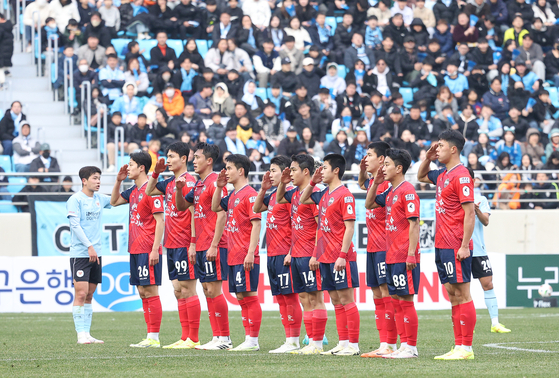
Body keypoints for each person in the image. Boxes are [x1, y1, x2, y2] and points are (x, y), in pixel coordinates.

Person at [417, 130, 477, 360]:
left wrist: (464, 245)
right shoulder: (442, 174)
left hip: (455, 244)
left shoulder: (461, 176)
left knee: (463, 294)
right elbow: (421, 177)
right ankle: (458, 344)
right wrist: (428, 158)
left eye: (440, 146)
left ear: (453, 149)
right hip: (441, 244)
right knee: (452, 294)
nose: (437, 148)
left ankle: (467, 348)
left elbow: (469, 213)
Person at [299, 154, 360, 356]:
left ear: (336, 170)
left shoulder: (345, 194)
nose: (320, 171)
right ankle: (343, 342)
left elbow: (350, 228)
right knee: (335, 299)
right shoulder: (323, 194)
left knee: (346, 298)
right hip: (325, 256)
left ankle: (354, 344)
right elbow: (302, 199)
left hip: (340, 256)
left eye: (324, 168)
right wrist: (313, 182)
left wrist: (342, 255)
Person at [365, 148, 421, 359]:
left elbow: (414, 224)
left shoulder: (407, 191)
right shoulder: (389, 191)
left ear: (399, 168)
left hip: (403, 255)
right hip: (390, 254)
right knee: (396, 301)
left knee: (405, 300)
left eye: (387, 164)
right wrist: (377, 182)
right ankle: (402, 345)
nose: (383, 168)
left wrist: (410, 254)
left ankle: (411, 348)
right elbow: (369, 204)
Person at [174, 143, 230, 350]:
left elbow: (222, 214)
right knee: (207, 289)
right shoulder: (198, 185)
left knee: (214, 289)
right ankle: (217, 337)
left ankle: (224, 338)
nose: (193, 161)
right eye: (193, 157)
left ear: (209, 161)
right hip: (201, 244)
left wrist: (214, 245)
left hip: (213, 244)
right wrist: (179, 191)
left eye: (196, 157)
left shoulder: (217, 183)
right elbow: (182, 207)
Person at [144, 142, 198, 349]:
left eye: (172, 156)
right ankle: (184, 337)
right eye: (167, 155)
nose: (168, 159)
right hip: (171, 242)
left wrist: (193, 242)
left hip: (185, 242)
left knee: (188, 289)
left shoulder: (190, 181)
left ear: (184, 159)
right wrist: (155, 174)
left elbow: (193, 212)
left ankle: (193, 338)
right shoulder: (167, 182)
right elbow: (149, 192)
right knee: (177, 290)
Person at [110, 152, 165, 348]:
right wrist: (118, 181)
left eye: (131, 164)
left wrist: (155, 249)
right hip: (134, 247)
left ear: (142, 167)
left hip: (147, 247)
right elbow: (114, 202)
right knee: (142, 292)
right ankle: (149, 336)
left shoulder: (153, 190)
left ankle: (154, 337)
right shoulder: (133, 190)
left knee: (150, 291)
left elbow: (160, 221)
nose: (128, 168)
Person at [211, 154, 262, 351]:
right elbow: (215, 207)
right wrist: (218, 186)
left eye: (229, 168)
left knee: (249, 295)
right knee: (241, 297)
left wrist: (251, 252)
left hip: (245, 254)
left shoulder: (250, 194)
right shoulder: (232, 195)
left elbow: (256, 224)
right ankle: (248, 338)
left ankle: (253, 340)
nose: (226, 171)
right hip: (233, 254)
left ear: (241, 171)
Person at [252, 156, 302, 354]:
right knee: (281, 298)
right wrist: (263, 189)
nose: (269, 174)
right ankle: (288, 338)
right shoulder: (273, 195)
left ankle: (294, 340)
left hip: (285, 253)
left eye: (273, 171)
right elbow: (256, 209)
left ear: (285, 173)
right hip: (272, 253)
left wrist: (291, 251)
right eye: (269, 170)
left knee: (290, 297)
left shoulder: (290, 196)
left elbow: (297, 225)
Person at [357, 141, 399, 358]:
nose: (366, 158)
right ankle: (384, 342)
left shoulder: (387, 183)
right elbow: (362, 182)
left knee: (386, 293)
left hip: (385, 245)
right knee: (376, 294)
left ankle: (390, 344)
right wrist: (363, 170)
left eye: (370, 155)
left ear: (382, 160)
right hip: (372, 246)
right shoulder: (373, 182)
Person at [66, 166, 111, 344]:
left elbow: (116, 200)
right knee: (81, 293)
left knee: (90, 294)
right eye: (94, 178)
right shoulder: (75, 200)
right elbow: (75, 226)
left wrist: (120, 181)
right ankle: (80, 334)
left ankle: (87, 333)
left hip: (96, 253)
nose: (98, 181)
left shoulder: (100, 198)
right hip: (81, 253)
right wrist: (89, 246)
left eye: (99, 178)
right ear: (84, 181)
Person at [468, 169, 511, 333]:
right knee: (460, 290)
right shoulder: (453, 199)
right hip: (459, 250)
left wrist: (476, 209)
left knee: (488, 284)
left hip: (478, 250)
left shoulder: (481, 199)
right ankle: (464, 327)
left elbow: (485, 221)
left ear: (473, 181)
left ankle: (495, 323)